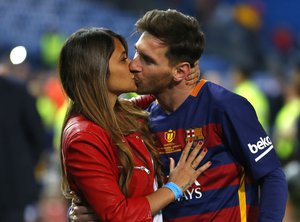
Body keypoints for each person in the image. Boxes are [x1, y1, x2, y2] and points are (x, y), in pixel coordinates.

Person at [72, 9, 288, 222]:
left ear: (179, 72)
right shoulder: (142, 119)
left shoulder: (224, 107)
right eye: (136, 52)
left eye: (147, 60)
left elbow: (271, 176)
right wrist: (95, 213)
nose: (134, 65)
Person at [59, 27, 211, 222]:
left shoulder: (121, 113)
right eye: (123, 59)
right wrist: (173, 187)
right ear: (96, 70)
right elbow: (118, 215)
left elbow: (155, 93)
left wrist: (179, 71)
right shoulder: (84, 137)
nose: (132, 65)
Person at [0, 68, 46, 222]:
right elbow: (38, 137)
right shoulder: (17, 91)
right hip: (16, 185)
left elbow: (38, 137)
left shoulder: (17, 91)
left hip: (15, 188)